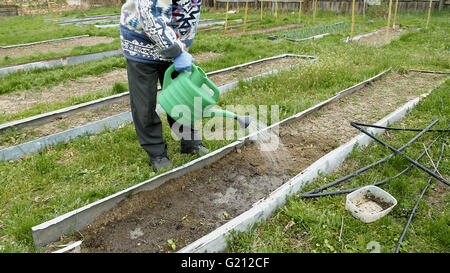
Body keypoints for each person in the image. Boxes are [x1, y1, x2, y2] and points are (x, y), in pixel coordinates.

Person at [120, 0, 208, 172]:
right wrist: (176, 50)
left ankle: (189, 141)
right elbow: (147, 12)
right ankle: (157, 153)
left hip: (175, 46)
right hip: (141, 42)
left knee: (181, 95)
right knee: (144, 103)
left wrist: (180, 47)